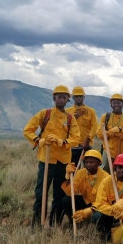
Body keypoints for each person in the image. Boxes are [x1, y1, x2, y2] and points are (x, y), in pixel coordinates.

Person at [23, 85, 81, 228]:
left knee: (59, 195)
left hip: (63, 162)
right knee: (40, 193)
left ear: (68, 99)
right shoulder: (45, 114)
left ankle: (55, 224)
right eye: (59, 97)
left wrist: (62, 142)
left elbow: (76, 138)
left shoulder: (70, 118)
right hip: (46, 160)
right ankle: (36, 225)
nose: (61, 99)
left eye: (64, 97)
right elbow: (27, 130)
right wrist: (39, 141)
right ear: (54, 98)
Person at [91, 154, 123, 241]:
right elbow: (100, 204)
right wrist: (114, 211)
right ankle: (106, 232)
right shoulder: (106, 181)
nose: (122, 170)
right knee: (96, 217)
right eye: (120, 167)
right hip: (109, 213)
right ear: (115, 168)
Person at [61, 150, 109, 225]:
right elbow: (71, 192)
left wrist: (91, 210)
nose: (89, 165)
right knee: (66, 200)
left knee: (99, 215)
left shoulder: (106, 177)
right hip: (86, 201)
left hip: (99, 205)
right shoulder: (80, 173)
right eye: (87, 162)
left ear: (99, 163)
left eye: (92, 162)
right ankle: (74, 223)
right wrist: (68, 177)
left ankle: (96, 225)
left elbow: (105, 200)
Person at [96, 93, 123, 173]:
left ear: (122, 104)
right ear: (111, 104)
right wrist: (111, 132)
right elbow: (99, 134)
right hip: (109, 151)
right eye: (114, 103)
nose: (116, 105)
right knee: (105, 173)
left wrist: (122, 131)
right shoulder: (105, 117)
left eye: (118, 103)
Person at [66, 86, 98, 164]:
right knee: (73, 167)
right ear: (73, 98)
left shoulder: (91, 111)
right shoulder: (67, 111)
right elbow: (63, 127)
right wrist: (73, 118)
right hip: (73, 145)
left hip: (86, 144)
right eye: (76, 96)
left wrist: (87, 140)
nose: (78, 98)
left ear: (84, 97)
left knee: (89, 167)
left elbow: (95, 127)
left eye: (80, 96)